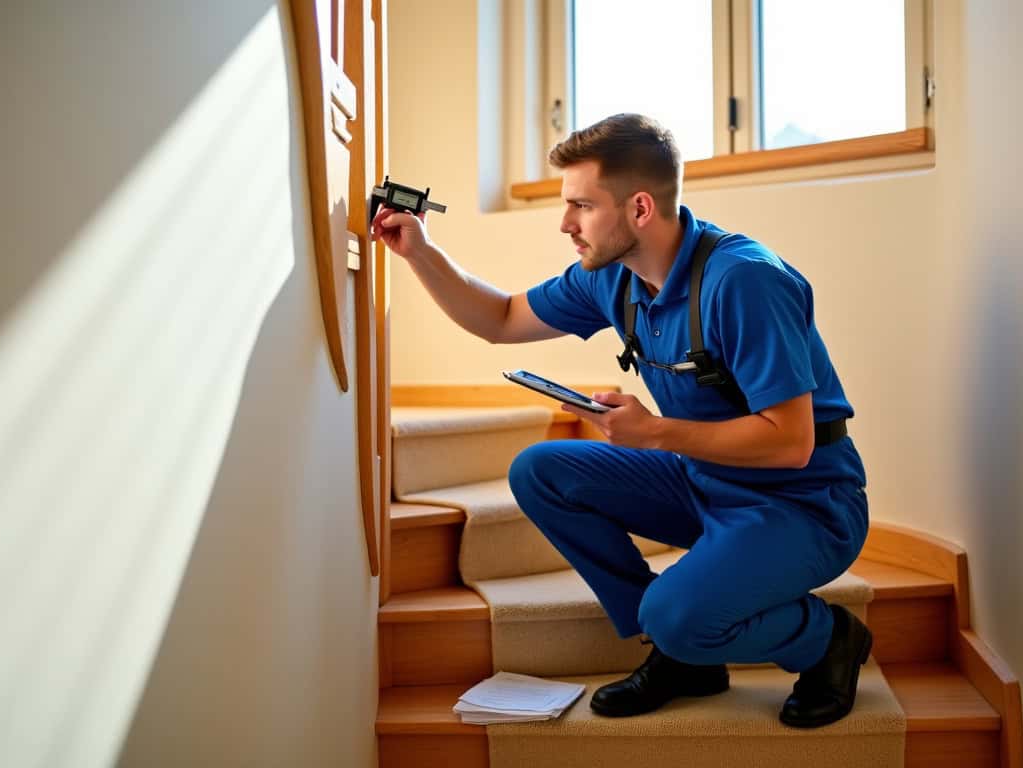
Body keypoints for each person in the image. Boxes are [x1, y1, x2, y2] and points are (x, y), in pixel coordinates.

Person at [371, 113, 871, 728]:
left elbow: (791, 443)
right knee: (542, 470)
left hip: (805, 503)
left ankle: (826, 640)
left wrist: (655, 432)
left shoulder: (744, 281)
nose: (565, 224)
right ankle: (684, 658)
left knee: (676, 613)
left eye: (581, 205)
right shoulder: (612, 277)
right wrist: (420, 251)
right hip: (705, 479)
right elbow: (501, 319)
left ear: (639, 208)